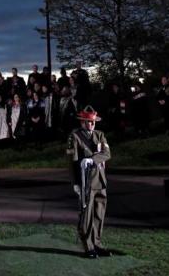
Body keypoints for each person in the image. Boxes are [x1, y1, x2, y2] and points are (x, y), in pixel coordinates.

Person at [66, 106, 112, 259]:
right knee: (86, 215)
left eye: (93, 122)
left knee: (99, 214)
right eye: (88, 122)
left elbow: (107, 154)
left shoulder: (100, 135)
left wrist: (92, 159)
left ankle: (97, 243)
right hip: (85, 181)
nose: (91, 125)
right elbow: (72, 162)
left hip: (100, 180)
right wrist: (75, 183)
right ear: (82, 122)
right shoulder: (75, 137)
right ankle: (88, 246)